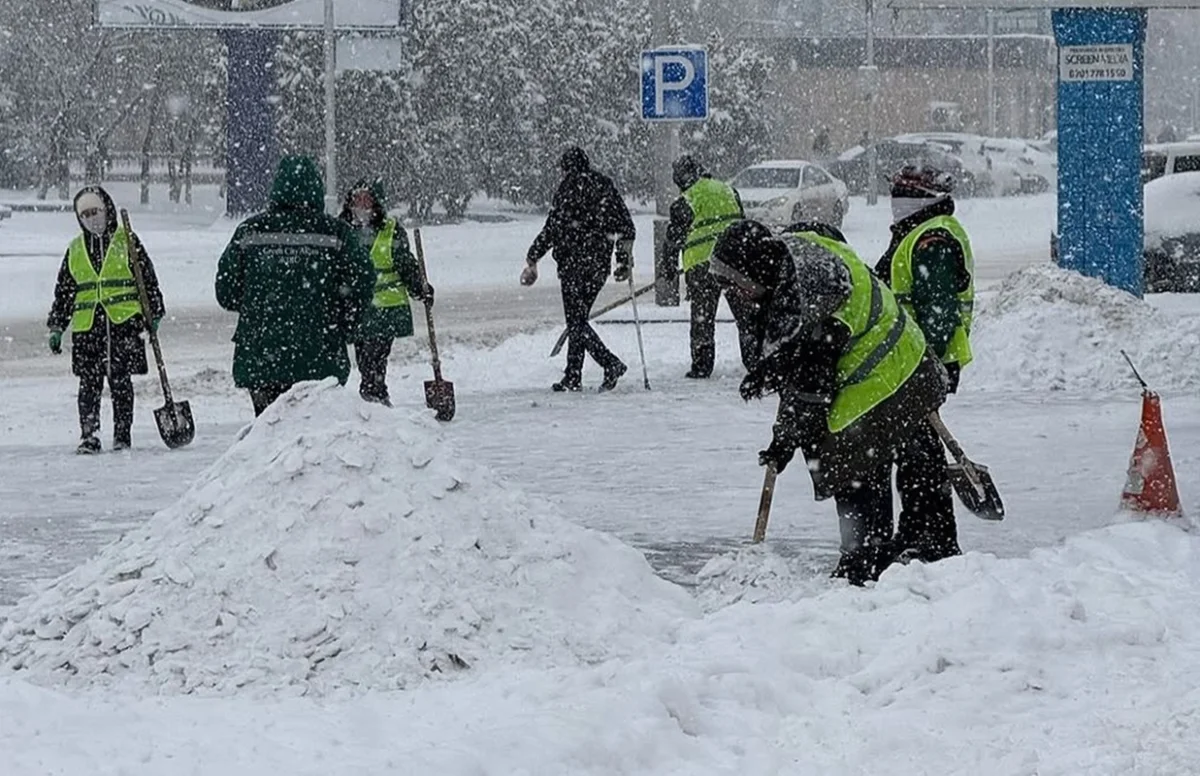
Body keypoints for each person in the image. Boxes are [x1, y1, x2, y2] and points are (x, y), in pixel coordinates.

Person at [711, 219, 950, 585]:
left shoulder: (814, 302)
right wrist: (782, 438)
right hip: (901, 356)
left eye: (739, 284)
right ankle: (916, 545)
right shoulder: (795, 257)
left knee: (846, 458)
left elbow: (809, 395)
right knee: (896, 459)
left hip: (887, 369)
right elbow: (796, 380)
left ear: (757, 268)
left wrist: (786, 440)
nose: (738, 295)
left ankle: (864, 562)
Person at [216, 155, 374, 417]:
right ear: (316, 188)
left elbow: (225, 290)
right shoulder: (335, 233)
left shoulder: (250, 231)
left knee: (267, 432)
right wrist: (344, 322)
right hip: (320, 357)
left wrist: (257, 309)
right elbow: (363, 281)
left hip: (261, 357)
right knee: (312, 440)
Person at [875, 164, 974, 563]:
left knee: (919, 455)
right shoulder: (915, 232)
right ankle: (917, 531)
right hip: (909, 361)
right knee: (914, 450)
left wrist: (921, 362)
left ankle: (932, 539)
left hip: (923, 362)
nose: (894, 199)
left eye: (900, 192)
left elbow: (938, 311)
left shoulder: (932, 238)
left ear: (918, 199)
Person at [47, 186, 165, 454]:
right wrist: (56, 326)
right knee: (88, 385)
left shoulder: (128, 241)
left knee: (121, 383)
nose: (92, 218)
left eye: (95, 211)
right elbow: (64, 291)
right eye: (85, 214)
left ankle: (122, 436)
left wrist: (155, 313)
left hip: (123, 325)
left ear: (106, 210)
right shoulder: (75, 248)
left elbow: (148, 281)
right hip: (88, 328)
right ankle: (90, 435)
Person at [522, 146, 634, 392]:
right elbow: (626, 225)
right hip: (598, 264)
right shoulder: (605, 187)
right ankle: (573, 376)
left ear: (566, 168)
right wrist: (623, 259)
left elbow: (553, 227)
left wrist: (533, 257)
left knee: (576, 321)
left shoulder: (567, 189)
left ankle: (609, 363)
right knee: (578, 318)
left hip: (573, 263)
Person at [338, 178, 433, 406]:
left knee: (374, 358)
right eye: (356, 198)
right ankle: (374, 395)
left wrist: (420, 288)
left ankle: (375, 396)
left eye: (366, 199)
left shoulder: (391, 230)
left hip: (385, 309)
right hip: (356, 309)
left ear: (376, 203)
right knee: (364, 358)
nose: (360, 205)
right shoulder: (341, 229)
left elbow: (406, 265)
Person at [662, 154, 758, 378]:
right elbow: (742, 223)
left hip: (702, 265)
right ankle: (754, 359)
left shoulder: (686, 200)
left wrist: (668, 267)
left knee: (703, 318)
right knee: (745, 316)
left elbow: (673, 239)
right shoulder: (729, 190)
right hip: (735, 262)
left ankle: (702, 365)